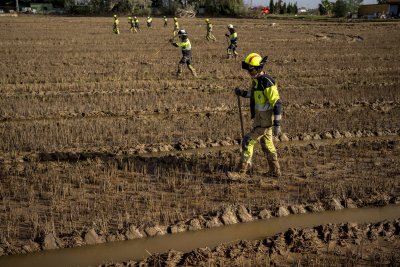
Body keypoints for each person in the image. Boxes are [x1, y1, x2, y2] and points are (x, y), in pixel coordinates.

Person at [227, 53, 282, 179]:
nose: (249, 72)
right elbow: (251, 95)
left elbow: (277, 104)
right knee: (267, 145)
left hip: (265, 122)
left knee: (248, 140)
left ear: (259, 68)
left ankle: (240, 172)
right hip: (260, 120)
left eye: (251, 70)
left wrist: (277, 125)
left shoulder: (267, 82)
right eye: (248, 70)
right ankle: (275, 170)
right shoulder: (256, 81)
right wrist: (241, 93)